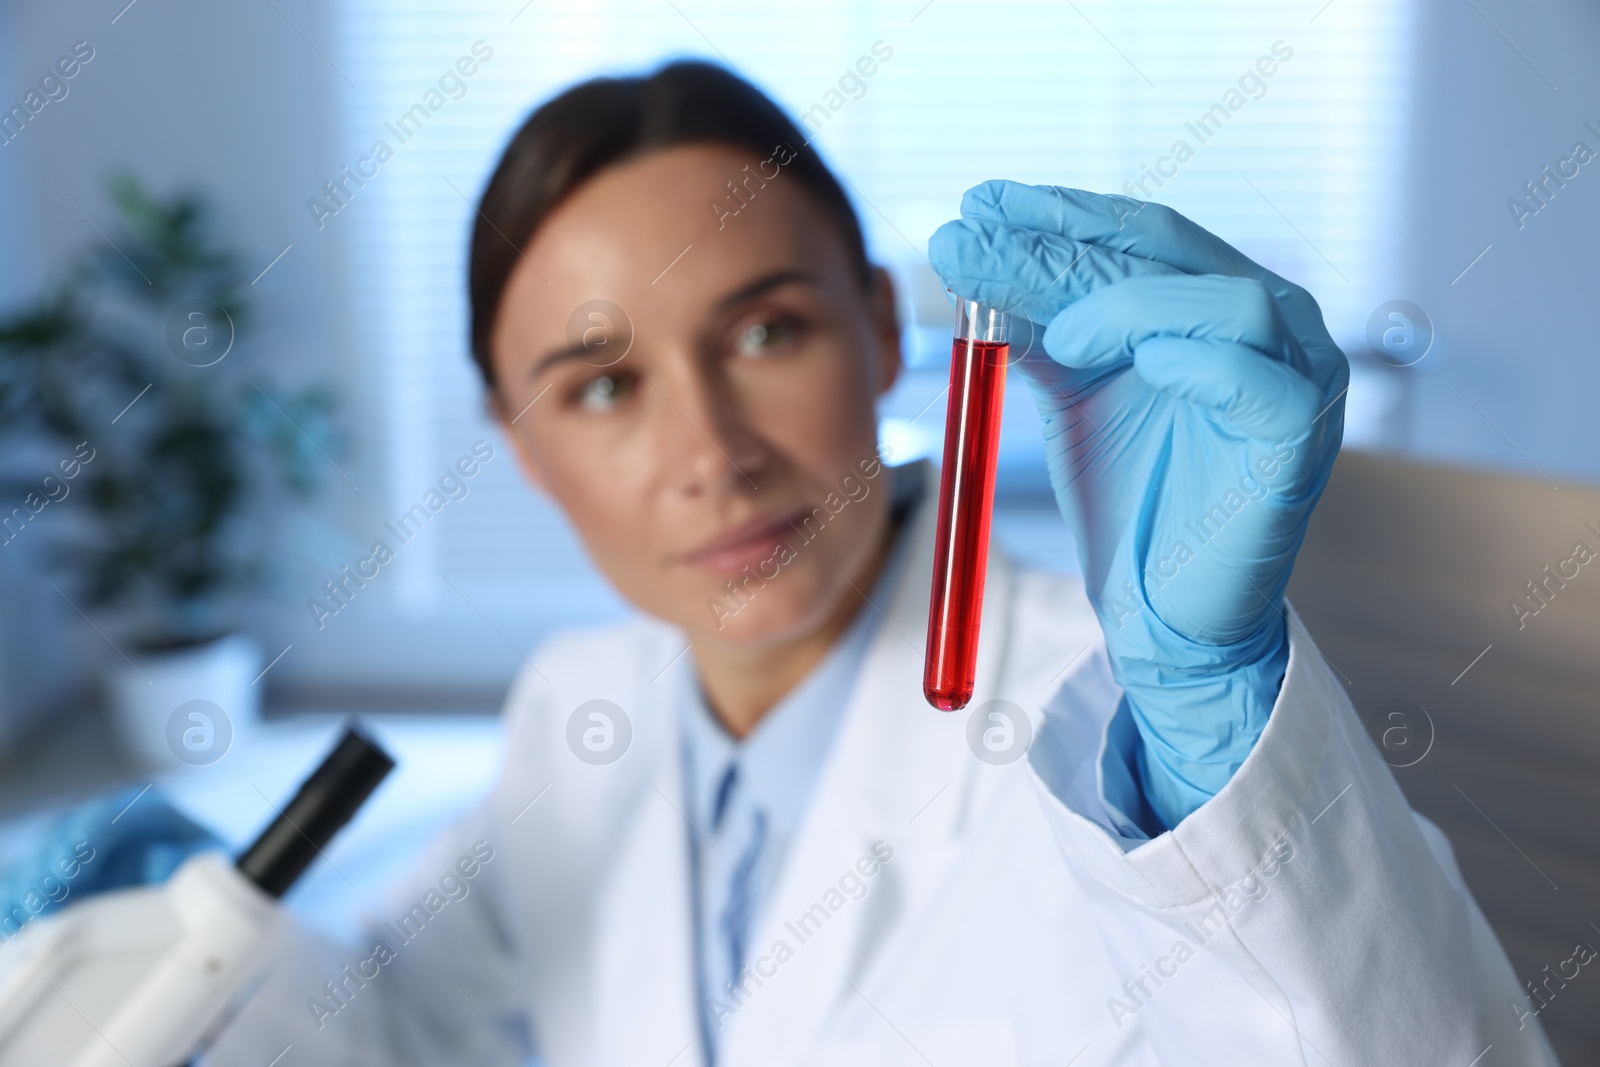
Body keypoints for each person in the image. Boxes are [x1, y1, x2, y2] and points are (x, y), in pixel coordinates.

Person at [3, 61, 1556, 1066]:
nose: (711, 451)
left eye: (767, 330)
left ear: (887, 330)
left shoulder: (1112, 724)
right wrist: (188, 957)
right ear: (518, 441)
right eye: (601, 383)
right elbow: (408, 1018)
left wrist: (1218, 735)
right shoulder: (584, 704)